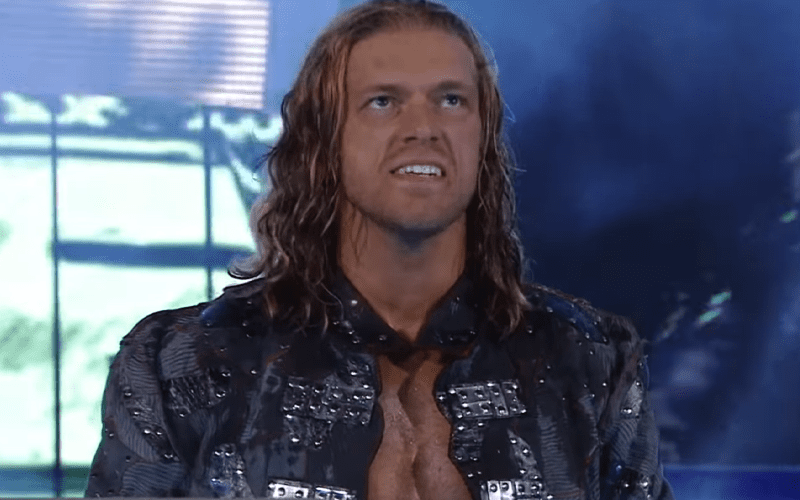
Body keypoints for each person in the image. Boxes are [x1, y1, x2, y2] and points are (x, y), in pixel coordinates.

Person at [85, 1, 673, 498]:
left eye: (451, 100)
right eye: (383, 101)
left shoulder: (590, 361)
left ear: (483, 139)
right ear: (325, 140)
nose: (424, 127)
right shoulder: (181, 364)